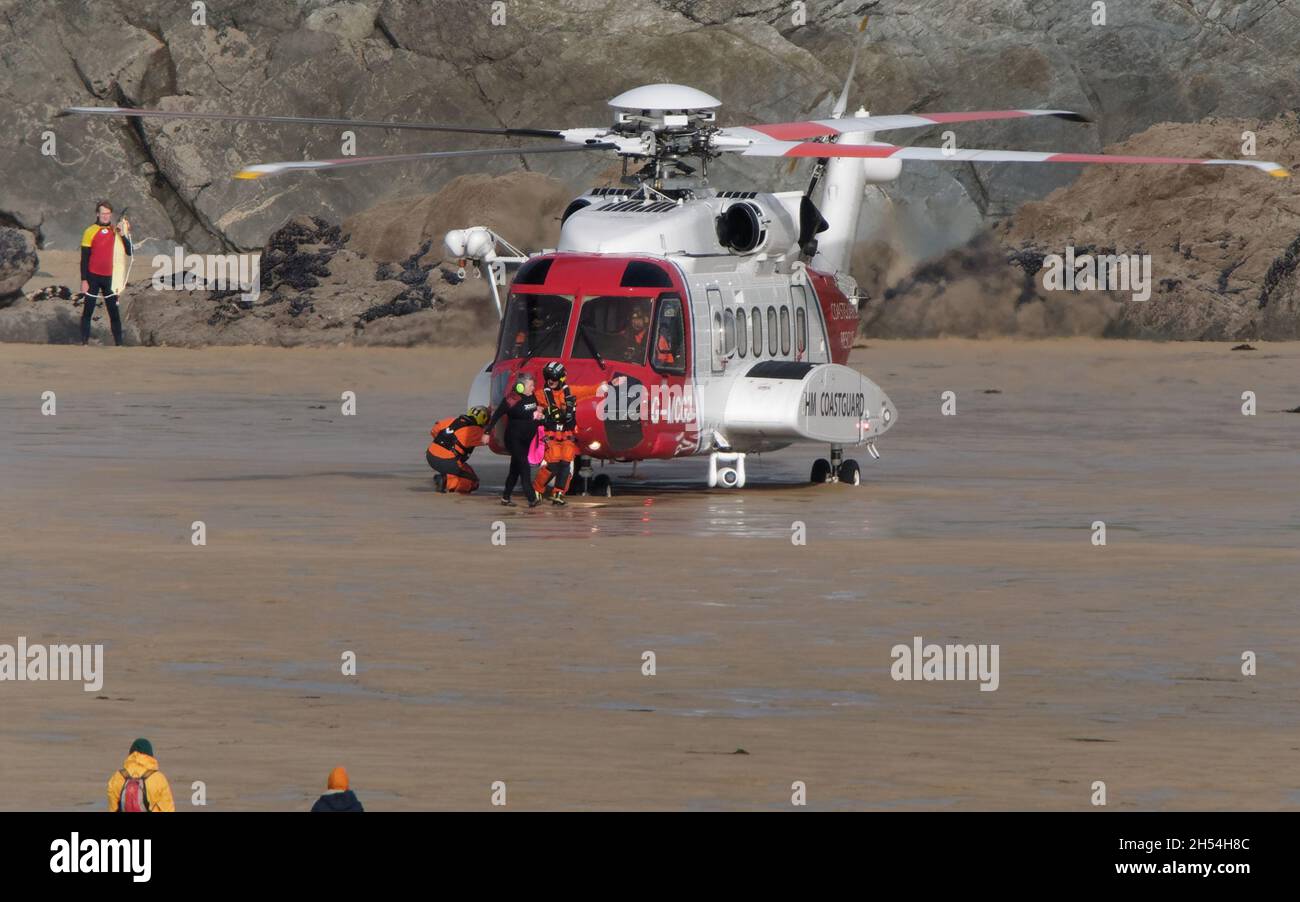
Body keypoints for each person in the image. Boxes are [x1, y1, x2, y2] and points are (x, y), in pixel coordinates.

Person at [532, 362, 599, 505]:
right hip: (551, 434)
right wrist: (539, 412)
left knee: (566, 465)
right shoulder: (540, 395)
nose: (551, 381)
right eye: (548, 378)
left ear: (562, 378)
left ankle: (559, 493)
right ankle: (537, 489)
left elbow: (590, 390)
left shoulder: (571, 392)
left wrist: (610, 384)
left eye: (554, 378)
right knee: (553, 464)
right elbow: (530, 406)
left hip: (567, 434)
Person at [79, 200, 132, 346]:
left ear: (111, 214)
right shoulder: (89, 231)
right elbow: (84, 259)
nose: (105, 216)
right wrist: (84, 280)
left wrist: (122, 235)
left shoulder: (116, 231)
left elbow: (129, 251)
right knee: (88, 311)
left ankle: (119, 344)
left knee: (114, 313)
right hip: (92, 277)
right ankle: (84, 343)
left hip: (110, 279)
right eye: (103, 213)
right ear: (98, 214)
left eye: (108, 213)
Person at [486, 372, 542, 507]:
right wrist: (487, 433)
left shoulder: (531, 396)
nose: (533, 388)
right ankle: (531, 499)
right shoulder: (512, 399)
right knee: (524, 467)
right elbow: (496, 416)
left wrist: (539, 411)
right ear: (521, 387)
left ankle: (505, 498)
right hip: (514, 439)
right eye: (531, 385)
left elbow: (532, 412)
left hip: (526, 440)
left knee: (515, 470)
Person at [426, 405, 490, 493]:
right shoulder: (474, 431)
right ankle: (445, 480)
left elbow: (434, 431)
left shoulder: (450, 420)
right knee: (472, 482)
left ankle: (445, 475)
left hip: (430, 455)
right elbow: (494, 440)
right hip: (446, 460)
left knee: (466, 469)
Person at [106, 738, 175, 812]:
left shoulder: (118, 777)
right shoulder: (158, 778)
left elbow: (113, 808)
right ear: (150, 755)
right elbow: (168, 809)